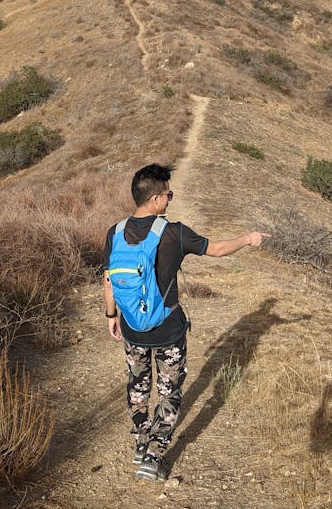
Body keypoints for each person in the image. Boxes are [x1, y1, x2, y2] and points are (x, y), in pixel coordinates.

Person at [102, 163, 270, 481]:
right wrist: (249, 238)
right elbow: (218, 250)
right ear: (155, 198)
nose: (170, 199)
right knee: (169, 392)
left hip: (131, 329)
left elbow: (108, 280)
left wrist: (111, 315)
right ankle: (152, 458)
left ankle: (140, 445)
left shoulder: (115, 231)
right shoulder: (173, 233)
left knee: (138, 387)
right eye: (169, 194)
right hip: (167, 330)